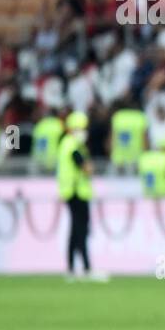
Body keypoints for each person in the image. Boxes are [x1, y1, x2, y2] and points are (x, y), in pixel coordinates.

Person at [56, 111, 96, 281]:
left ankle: (72, 268)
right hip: (77, 192)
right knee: (81, 230)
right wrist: (88, 167)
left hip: (71, 192)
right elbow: (86, 168)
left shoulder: (66, 144)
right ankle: (86, 268)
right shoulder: (72, 146)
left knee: (75, 231)